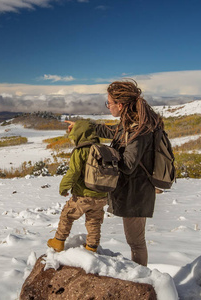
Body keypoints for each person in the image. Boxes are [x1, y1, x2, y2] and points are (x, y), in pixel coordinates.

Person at [66, 79, 162, 266]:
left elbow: (128, 164)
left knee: (136, 242)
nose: (108, 107)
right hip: (133, 192)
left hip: (137, 194)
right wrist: (82, 126)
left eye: (108, 103)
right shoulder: (130, 124)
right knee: (135, 241)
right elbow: (110, 131)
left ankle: (142, 282)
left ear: (120, 104)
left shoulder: (138, 129)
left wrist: (100, 152)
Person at [47, 120, 108, 253]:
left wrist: (63, 188)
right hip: (101, 195)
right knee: (94, 222)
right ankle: (91, 247)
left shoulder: (81, 151)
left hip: (83, 195)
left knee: (67, 215)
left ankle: (58, 241)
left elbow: (73, 172)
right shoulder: (103, 149)